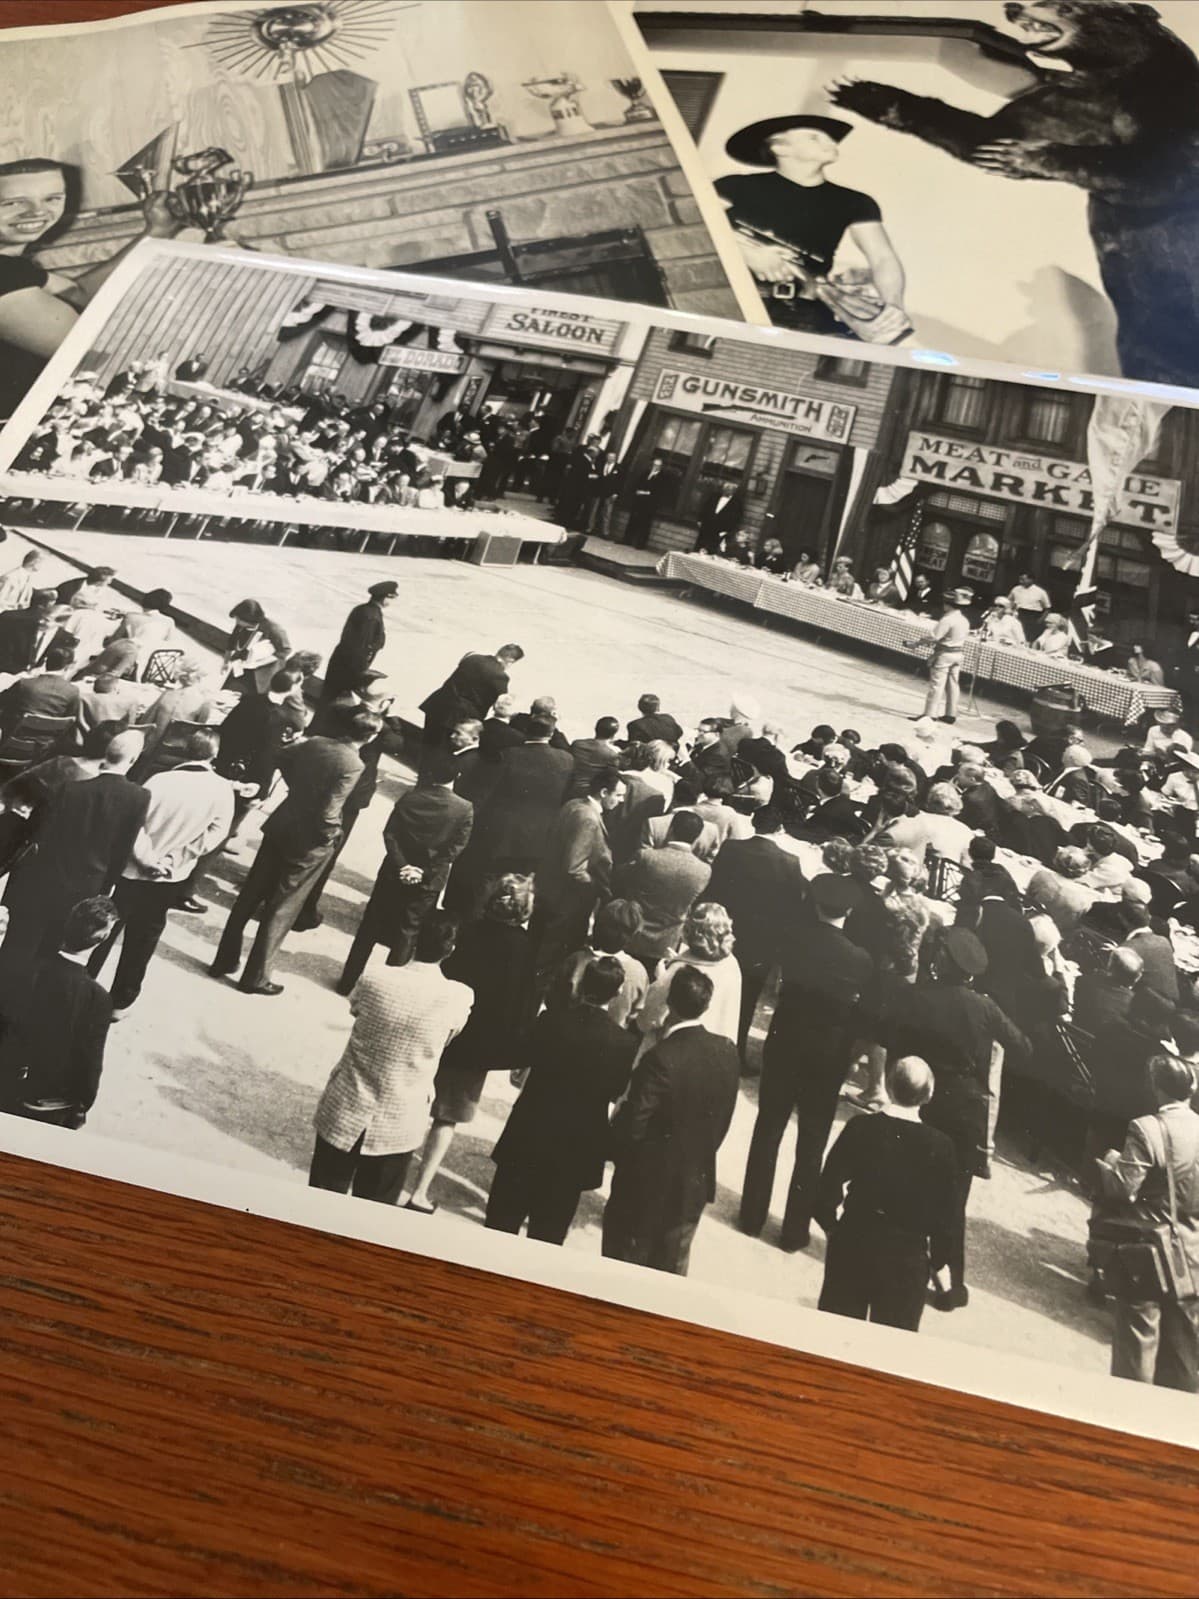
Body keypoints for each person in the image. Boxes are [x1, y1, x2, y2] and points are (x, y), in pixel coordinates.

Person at [886, 927, 1030, 1310]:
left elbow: (896, 1045)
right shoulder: (985, 1007)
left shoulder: (919, 997)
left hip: (926, 1101)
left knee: (910, 1184)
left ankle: (908, 1265)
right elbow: (1023, 1046)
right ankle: (953, 1283)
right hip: (966, 1110)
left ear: (943, 962)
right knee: (954, 1201)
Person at [739, 871, 873, 1251]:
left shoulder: (792, 939)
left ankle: (751, 1216)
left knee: (768, 1127)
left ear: (816, 904)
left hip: (786, 1040)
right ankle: (794, 1231)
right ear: (848, 910)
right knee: (812, 1141)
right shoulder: (860, 959)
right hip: (828, 1054)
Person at [212, 703, 378, 997]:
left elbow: (280, 756)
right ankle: (256, 977)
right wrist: (331, 835)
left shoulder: (315, 743)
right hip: (309, 840)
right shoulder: (354, 764)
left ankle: (223, 960)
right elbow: (331, 809)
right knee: (282, 908)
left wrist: (299, 787)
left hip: (283, 823)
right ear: (371, 736)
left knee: (250, 895)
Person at [309, 913, 472, 1207]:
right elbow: (450, 1036)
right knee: (374, 1213)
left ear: (414, 940)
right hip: (399, 1121)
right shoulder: (459, 996)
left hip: (345, 1107)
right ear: (451, 949)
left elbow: (355, 1009)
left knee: (319, 1201)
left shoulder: (375, 977)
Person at [0, 159, 180, 420]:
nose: (37, 212)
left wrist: (156, 231)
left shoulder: (12, 267)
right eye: (13, 202)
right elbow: (87, 352)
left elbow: (78, 292)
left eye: (52, 198)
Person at [406, 877, 536, 1215]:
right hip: (476, 1048)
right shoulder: (524, 948)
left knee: (413, 1098)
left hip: (439, 1026)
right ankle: (419, 1190)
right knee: (446, 1118)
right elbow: (523, 1006)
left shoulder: (466, 930)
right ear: (523, 911)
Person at [486, 957, 638, 1244]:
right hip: (575, 1147)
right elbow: (617, 1090)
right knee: (549, 1234)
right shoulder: (624, 1043)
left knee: (500, 1224)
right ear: (617, 993)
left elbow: (522, 1056)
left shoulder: (551, 1020)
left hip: (529, 1133)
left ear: (581, 985)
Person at [714, 116, 907, 339]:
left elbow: (883, 258)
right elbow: (696, 227)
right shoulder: (733, 186)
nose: (832, 144)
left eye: (832, 140)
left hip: (803, 312)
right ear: (779, 148)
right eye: (815, 137)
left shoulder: (856, 202)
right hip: (729, 297)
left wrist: (893, 307)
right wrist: (746, 253)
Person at [603, 965, 741, 1275]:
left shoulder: (660, 1058)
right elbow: (722, 1122)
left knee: (621, 1271)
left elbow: (631, 1125)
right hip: (692, 1185)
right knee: (669, 1277)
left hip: (644, 1186)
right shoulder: (727, 1053)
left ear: (670, 1004)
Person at [89, 731, 234, 1015]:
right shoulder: (221, 790)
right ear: (213, 755)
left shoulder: (159, 780)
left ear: (185, 751)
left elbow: (135, 823)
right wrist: (175, 858)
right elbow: (216, 833)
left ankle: (85, 983)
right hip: (171, 875)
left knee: (106, 928)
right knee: (144, 938)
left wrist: (147, 859)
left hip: (133, 869)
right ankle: (121, 1000)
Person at [815, 1056, 958, 1332]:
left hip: (853, 1242)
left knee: (833, 1338)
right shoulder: (942, 1147)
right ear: (929, 1094)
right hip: (906, 1260)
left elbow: (826, 1188)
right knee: (890, 1349)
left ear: (889, 1086)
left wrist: (833, 1229)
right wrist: (938, 1261)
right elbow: (946, 1218)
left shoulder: (860, 1128)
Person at [1, 729, 148, 977]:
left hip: (46, 876)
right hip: (88, 883)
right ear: (133, 760)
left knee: (19, 945)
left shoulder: (71, 789)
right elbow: (123, 847)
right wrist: (107, 887)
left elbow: (41, 833)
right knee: (54, 948)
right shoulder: (138, 797)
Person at [1093, 1055, 1199, 1391]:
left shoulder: (1146, 1127)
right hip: (1193, 1252)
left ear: (1156, 1087)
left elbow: (1124, 1191)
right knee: (1183, 1352)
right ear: (1192, 1089)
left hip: (1149, 1251)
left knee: (1137, 1342)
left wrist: (1110, 1164)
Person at [338, 767, 473, 995]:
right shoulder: (464, 808)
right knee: (408, 930)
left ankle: (347, 981)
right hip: (428, 881)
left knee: (371, 925)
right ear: (456, 777)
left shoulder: (411, 796)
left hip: (394, 872)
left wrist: (402, 865)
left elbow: (390, 834)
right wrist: (424, 872)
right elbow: (454, 849)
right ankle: (390, 989)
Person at [0, 897, 118, 1129]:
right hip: (43, 1102)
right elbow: (89, 1064)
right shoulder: (97, 998)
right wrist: (83, 1104)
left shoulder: (19, 969)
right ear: (102, 939)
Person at [706, 804, 807, 1058]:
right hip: (761, 943)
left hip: (724, 932)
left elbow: (715, 887)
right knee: (748, 999)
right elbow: (793, 910)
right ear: (780, 829)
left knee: (712, 986)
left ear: (753, 822)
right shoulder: (790, 863)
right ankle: (735, 1051)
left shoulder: (731, 849)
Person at [531, 766, 626, 987]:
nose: (621, 801)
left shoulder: (573, 805)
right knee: (550, 958)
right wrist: (597, 887)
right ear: (604, 793)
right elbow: (574, 868)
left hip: (548, 890)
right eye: (618, 795)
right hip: (567, 903)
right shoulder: (589, 819)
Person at [636, 902, 742, 1057]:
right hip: (716, 1052)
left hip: (674, 1054)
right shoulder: (732, 964)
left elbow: (646, 1020)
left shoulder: (678, 970)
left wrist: (662, 978)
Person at [613, 812, 712, 973]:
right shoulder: (704, 870)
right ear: (697, 836)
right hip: (667, 942)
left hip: (632, 932)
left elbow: (620, 877)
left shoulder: (647, 857)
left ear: (671, 829)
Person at [548, 898, 649, 1031]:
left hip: (566, 1033)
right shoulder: (639, 971)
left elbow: (553, 1000)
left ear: (599, 926)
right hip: (612, 1041)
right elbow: (635, 1015)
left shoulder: (577, 960)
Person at [420, 643, 524, 752]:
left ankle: (423, 768)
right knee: (447, 751)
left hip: (439, 704)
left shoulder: (472, 658)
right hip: (461, 717)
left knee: (428, 744)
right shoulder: (500, 676)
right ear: (510, 660)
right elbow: (500, 704)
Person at [320, 580, 397, 703]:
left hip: (341, 662)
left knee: (328, 699)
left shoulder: (363, 609)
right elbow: (360, 646)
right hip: (349, 667)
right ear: (385, 598)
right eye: (392, 597)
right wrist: (360, 672)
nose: (393, 601)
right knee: (337, 701)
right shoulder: (371, 616)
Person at [919, 586, 972, 725]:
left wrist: (918, 642)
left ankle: (929, 714)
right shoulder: (964, 620)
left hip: (945, 654)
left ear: (947, 604)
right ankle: (951, 714)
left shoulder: (947, 619)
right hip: (958, 653)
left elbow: (934, 637)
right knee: (953, 685)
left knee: (937, 685)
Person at [0, 640, 79, 730]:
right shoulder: (73, 691)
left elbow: (2, 701)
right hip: (45, 741)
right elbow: (68, 719)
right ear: (69, 666)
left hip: (10, 737)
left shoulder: (25, 684)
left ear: (46, 661)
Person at [223, 599, 290, 697]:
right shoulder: (240, 625)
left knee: (249, 698)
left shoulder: (274, 629)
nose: (237, 622)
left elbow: (285, 650)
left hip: (261, 673)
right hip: (241, 665)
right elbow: (231, 642)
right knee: (228, 693)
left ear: (249, 620)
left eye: (239, 620)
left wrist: (258, 663)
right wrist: (226, 661)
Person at [623, 454, 676, 551]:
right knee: (633, 520)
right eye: (654, 464)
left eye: (658, 465)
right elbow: (637, 484)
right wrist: (637, 491)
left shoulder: (663, 477)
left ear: (661, 467)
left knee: (645, 523)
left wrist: (646, 493)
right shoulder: (646, 473)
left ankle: (640, 544)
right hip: (639, 501)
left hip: (650, 504)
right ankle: (627, 540)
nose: (655, 467)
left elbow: (660, 491)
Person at [568, 716, 624, 799]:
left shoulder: (577, 744)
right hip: (593, 793)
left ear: (596, 729)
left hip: (572, 789)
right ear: (613, 735)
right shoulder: (612, 753)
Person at [1008, 572, 1051, 637]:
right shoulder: (1016, 589)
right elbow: (1009, 600)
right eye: (1020, 579)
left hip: (1032, 617)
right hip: (1017, 614)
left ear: (1031, 580)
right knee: (1013, 634)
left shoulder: (1040, 592)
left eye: (1023, 579)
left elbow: (1047, 608)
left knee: (1026, 636)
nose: (1021, 581)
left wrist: (1040, 621)